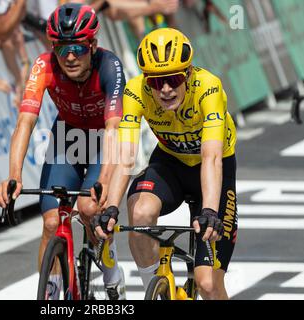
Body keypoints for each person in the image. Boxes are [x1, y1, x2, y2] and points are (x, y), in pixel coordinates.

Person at [0, 3, 126, 300]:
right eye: (61, 48)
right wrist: (13, 177)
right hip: (67, 137)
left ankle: (110, 266)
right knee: (52, 221)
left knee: (90, 209)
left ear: (92, 45)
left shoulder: (109, 66)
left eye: (78, 48)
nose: (69, 57)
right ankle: (52, 297)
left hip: (103, 139)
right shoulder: (43, 66)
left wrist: (103, 180)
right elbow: (24, 123)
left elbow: (115, 130)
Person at [95, 27, 238, 300]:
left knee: (207, 284)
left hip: (211, 172)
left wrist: (208, 210)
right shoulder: (135, 92)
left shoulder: (208, 88)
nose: (166, 89)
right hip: (170, 162)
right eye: (156, 82)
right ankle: (158, 292)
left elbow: (211, 157)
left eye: (172, 78)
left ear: (187, 73)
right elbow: (125, 155)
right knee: (139, 214)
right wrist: (111, 207)